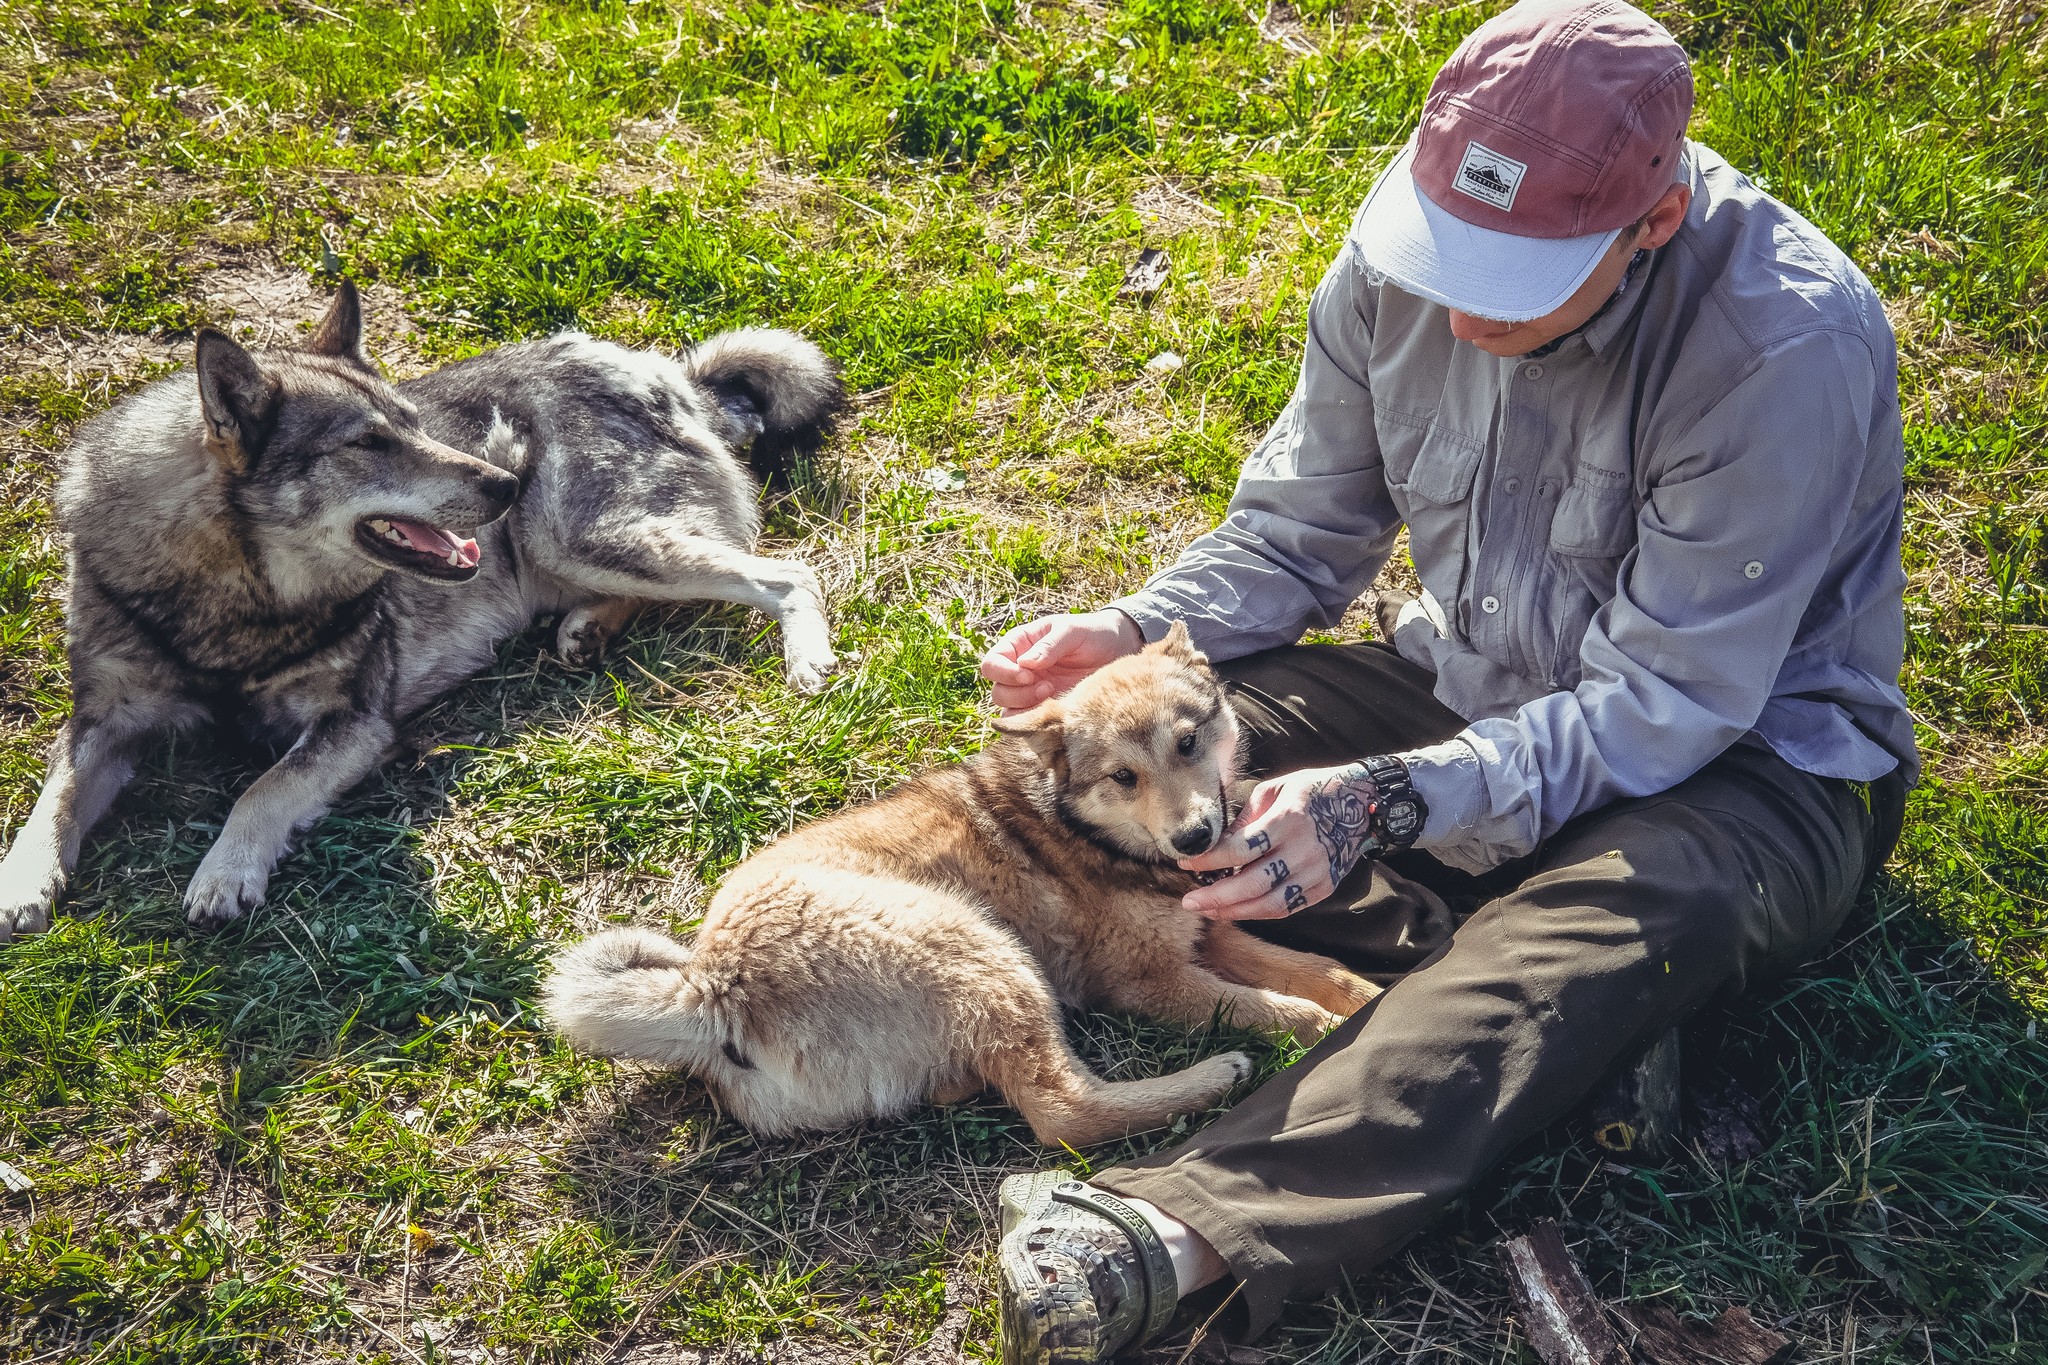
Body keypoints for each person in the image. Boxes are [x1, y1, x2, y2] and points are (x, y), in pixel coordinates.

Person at [976, 2, 1917, 1361]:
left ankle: (1178, 1229)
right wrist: (1133, 626)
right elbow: (1301, 526)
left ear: (1647, 225)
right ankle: (1550, 1020)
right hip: (1457, 690)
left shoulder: (1784, 349)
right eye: (1447, 252)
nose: (1463, 307)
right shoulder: (1394, 251)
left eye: (1516, 278)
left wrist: (1384, 804)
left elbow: (1663, 702)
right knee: (1119, 764)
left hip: (1742, 774)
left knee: (1651, 902)